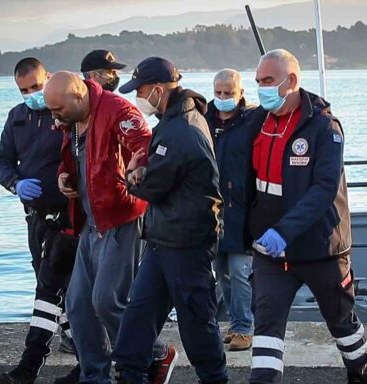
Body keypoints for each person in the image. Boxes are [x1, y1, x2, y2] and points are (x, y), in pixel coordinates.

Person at [246, 49, 367, 384]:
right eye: (258, 81)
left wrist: (284, 231)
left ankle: (361, 371)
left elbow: (323, 189)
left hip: (321, 249)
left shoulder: (324, 128)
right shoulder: (256, 122)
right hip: (271, 254)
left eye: (268, 81)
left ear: (292, 81)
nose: (262, 88)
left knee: (341, 323)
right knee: (266, 331)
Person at [45, 71, 175, 384]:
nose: (54, 117)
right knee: (77, 305)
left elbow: (144, 144)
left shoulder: (119, 111)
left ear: (78, 97)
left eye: (57, 110)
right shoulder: (74, 117)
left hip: (121, 219)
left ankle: (155, 353)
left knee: (107, 302)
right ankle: (94, 376)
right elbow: (72, 157)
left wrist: (136, 167)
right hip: (90, 222)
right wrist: (65, 175)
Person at [111, 56, 229, 384]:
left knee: (196, 320)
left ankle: (215, 378)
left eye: (142, 90)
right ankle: (129, 373)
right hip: (164, 237)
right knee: (140, 312)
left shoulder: (181, 129)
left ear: (159, 90)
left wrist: (133, 175)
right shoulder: (177, 119)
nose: (138, 98)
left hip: (186, 240)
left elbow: (154, 186)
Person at [0, 57, 77, 384]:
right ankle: (85, 352)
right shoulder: (17, 118)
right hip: (35, 216)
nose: (31, 94)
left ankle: (31, 366)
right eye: (24, 90)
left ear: (50, 79)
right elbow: (2, 161)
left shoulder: (66, 115)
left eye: (36, 87)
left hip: (68, 217)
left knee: (50, 287)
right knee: (51, 287)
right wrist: (15, 184)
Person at [203, 68, 257, 351]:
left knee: (240, 271)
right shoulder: (204, 120)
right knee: (221, 271)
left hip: (241, 208)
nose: (223, 99)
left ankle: (243, 327)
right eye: (219, 93)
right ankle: (235, 323)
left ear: (241, 94)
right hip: (212, 209)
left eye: (229, 94)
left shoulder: (251, 121)